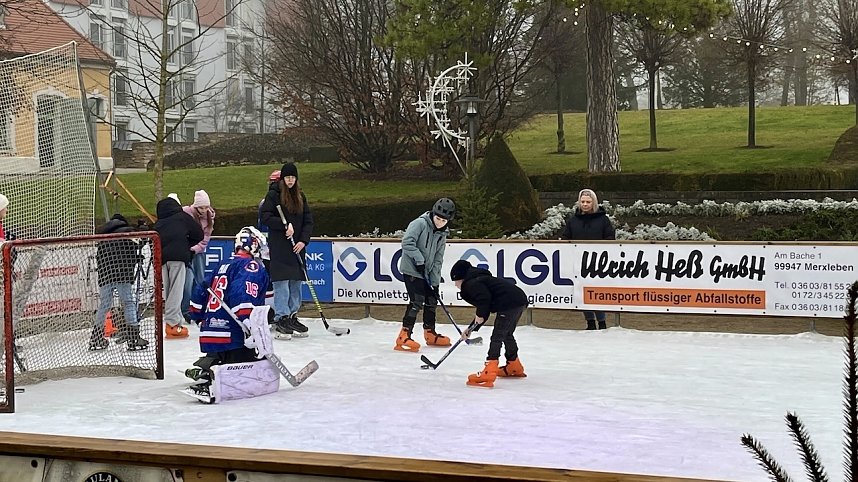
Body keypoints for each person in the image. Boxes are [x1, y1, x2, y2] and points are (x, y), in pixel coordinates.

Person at [184, 226, 279, 404]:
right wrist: (250, 323)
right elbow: (241, 294)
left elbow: (200, 290)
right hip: (232, 333)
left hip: (209, 333)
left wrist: (197, 316)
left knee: (224, 356)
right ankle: (214, 379)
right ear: (255, 246)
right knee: (252, 361)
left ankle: (208, 367)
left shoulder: (221, 264)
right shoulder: (251, 266)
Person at [450, 259, 529, 388]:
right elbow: (485, 306)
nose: (455, 285)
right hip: (518, 300)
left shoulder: (471, 283)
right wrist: (470, 329)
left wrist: (480, 315)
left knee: (497, 336)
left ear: (461, 278)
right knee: (507, 334)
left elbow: (483, 300)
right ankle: (514, 365)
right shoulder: (478, 279)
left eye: (455, 281)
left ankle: (489, 370)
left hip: (509, 304)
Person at [259, 162, 314, 337]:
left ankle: (292, 314)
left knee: (296, 282)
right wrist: (283, 226)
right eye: (287, 177)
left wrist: (303, 241)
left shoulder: (301, 196)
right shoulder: (273, 195)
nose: (290, 181)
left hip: (297, 247)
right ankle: (281, 317)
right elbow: (265, 217)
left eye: (293, 177)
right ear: (283, 179)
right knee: (282, 283)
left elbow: (308, 221)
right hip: (280, 247)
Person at [394, 197, 456, 352]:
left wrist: (434, 282)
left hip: (427, 272)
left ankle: (430, 333)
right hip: (412, 269)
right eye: (438, 218)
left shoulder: (442, 234)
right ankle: (403, 335)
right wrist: (419, 260)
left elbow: (438, 258)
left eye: (444, 220)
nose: (440, 222)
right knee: (417, 300)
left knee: (431, 299)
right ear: (433, 214)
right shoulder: (419, 224)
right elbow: (407, 242)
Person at [90, 214, 149, 351]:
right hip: (122, 273)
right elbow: (141, 241)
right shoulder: (127, 232)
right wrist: (143, 228)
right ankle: (133, 336)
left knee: (104, 305)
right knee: (128, 303)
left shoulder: (103, 237)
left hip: (105, 274)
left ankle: (96, 336)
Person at [561, 188, 616, 330]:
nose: (585, 204)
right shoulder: (573, 221)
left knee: (596, 292)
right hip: (578, 261)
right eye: (583, 201)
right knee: (582, 292)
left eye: (588, 202)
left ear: (594, 203)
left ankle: (602, 322)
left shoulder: (603, 220)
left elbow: (610, 237)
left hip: (598, 263)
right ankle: (590, 322)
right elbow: (566, 238)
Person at [154, 196, 204, 338]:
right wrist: (185, 245)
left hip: (162, 259)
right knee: (176, 290)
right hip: (178, 258)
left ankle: (174, 319)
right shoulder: (182, 217)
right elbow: (199, 234)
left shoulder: (159, 223)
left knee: (169, 290)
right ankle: (172, 323)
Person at [181, 190, 216, 321]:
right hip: (185, 252)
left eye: (206, 207)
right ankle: (185, 309)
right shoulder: (185, 213)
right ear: (195, 206)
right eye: (201, 207)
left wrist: (195, 249)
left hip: (199, 252)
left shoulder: (209, 217)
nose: (204, 210)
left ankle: (200, 307)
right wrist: (187, 249)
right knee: (187, 282)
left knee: (200, 280)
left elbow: (206, 237)